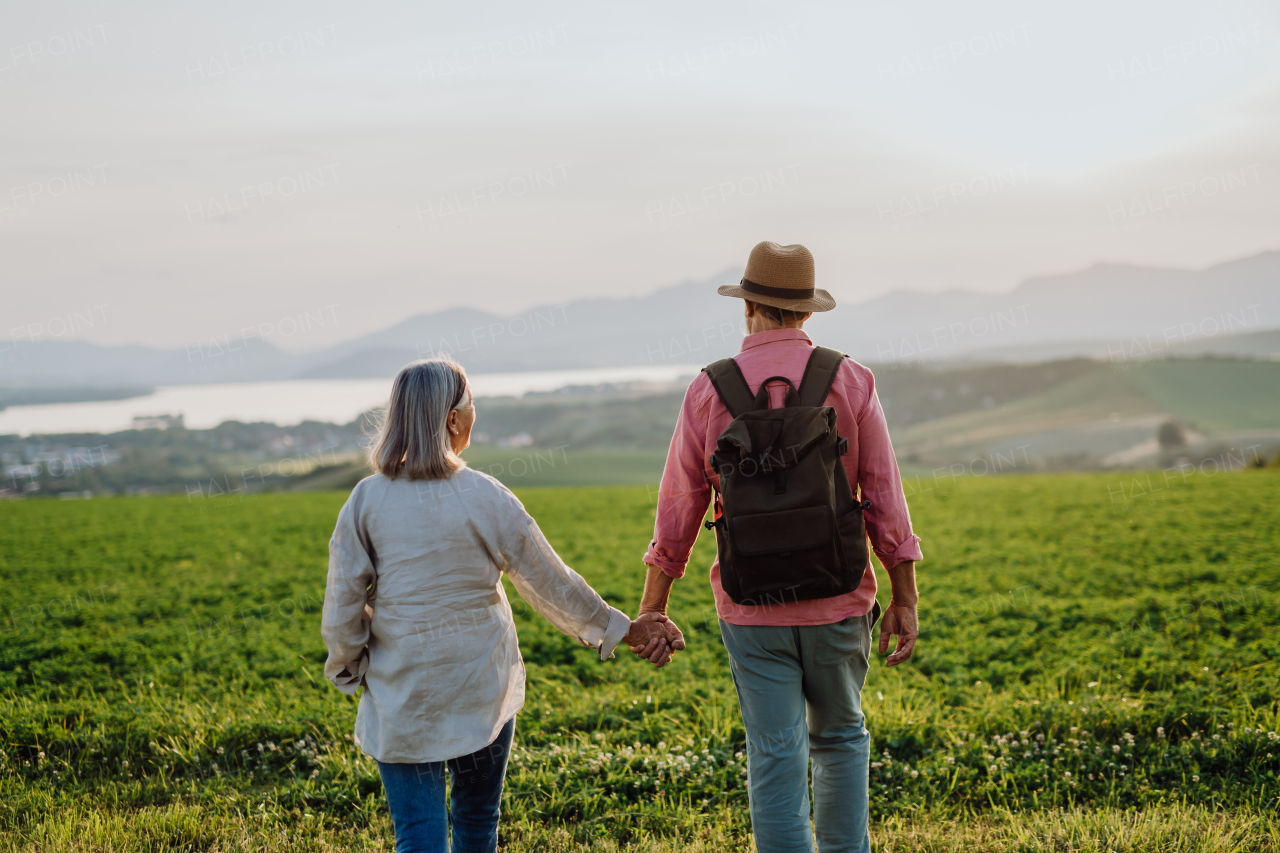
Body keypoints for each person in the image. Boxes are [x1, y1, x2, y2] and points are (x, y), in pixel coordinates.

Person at [321, 357, 682, 853]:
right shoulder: (485, 496)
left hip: (400, 692)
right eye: (471, 403)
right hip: (480, 688)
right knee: (476, 821)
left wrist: (348, 666)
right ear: (452, 420)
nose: (474, 413)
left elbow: (342, 606)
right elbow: (553, 585)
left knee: (417, 835)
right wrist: (627, 630)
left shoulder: (364, 501)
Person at [633, 241, 923, 853]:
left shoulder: (708, 390)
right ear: (807, 313)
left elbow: (678, 508)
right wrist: (905, 596)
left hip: (751, 608)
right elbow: (884, 497)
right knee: (842, 739)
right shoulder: (850, 379)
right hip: (840, 599)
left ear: (749, 309)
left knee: (773, 751)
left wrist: (654, 606)